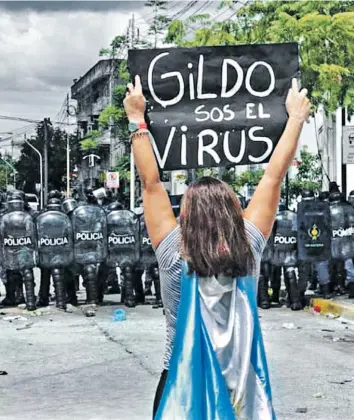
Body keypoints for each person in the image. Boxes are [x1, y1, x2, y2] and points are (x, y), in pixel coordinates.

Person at [124, 76, 310, 419]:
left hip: (180, 385)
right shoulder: (248, 247)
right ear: (234, 210)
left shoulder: (172, 251)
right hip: (240, 386)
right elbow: (273, 176)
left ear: (187, 215)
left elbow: (151, 184)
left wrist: (138, 120)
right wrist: (296, 118)